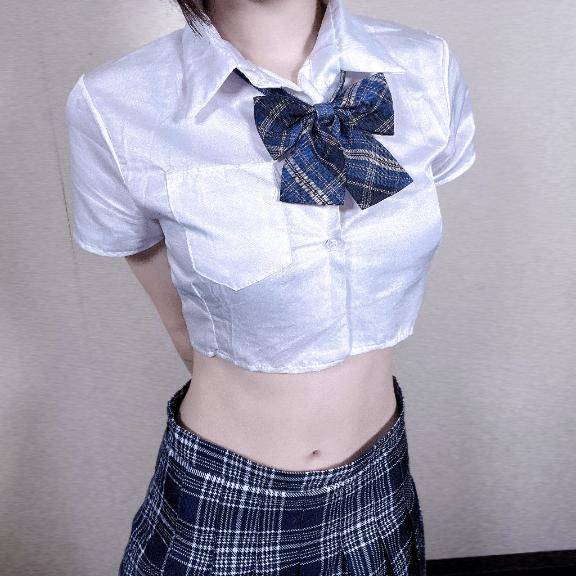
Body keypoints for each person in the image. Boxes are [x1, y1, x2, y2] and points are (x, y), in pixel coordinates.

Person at [65, 0, 476, 574]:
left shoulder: (423, 64)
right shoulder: (115, 104)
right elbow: (180, 324)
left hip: (381, 477)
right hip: (230, 495)